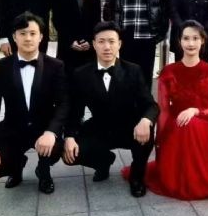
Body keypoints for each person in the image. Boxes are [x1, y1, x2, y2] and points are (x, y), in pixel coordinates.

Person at [136, 20, 208, 199]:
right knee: (184, 125)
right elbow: (163, 110)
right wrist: (159, 141)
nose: (191, 43)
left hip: (202, 123)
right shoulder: (169, 71)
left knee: (191, 125)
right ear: (179, 41)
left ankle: (195, 176)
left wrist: (194, 111)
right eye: (186, 38)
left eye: (195, 38)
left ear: (203, 40)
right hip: (175, 125)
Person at [63, 21, 159, 197]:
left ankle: (137, 177)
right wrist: (69, 136)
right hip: (100, 126)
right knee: (69, 152)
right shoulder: (81, 74)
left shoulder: (133, 70)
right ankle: (103, 162)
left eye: (112, 41)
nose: (107, 47)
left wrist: (146, 120)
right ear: (94, 44)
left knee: (147, 134)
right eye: (101, 41)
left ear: (119, 44)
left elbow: (151, 105)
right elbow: (75, 111)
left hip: (130, 127)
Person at [0, 12, 68, 194]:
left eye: (33, 33)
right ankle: (16, 167)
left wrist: (51, 132)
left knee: (56, 147)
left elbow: (63, 103)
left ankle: (43, 171)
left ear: (41, 37)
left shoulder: (55, 66)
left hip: (43, 128)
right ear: (14, 37)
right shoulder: (1, 67)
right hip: (13, 128)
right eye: (23, 33)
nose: (28, 38)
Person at [52, 0, 101, 74]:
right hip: (67, 45)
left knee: (88, 79)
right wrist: (70, 41)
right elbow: (57, 20)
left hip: (89, 46)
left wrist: (90, 40)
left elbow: (96, 20)